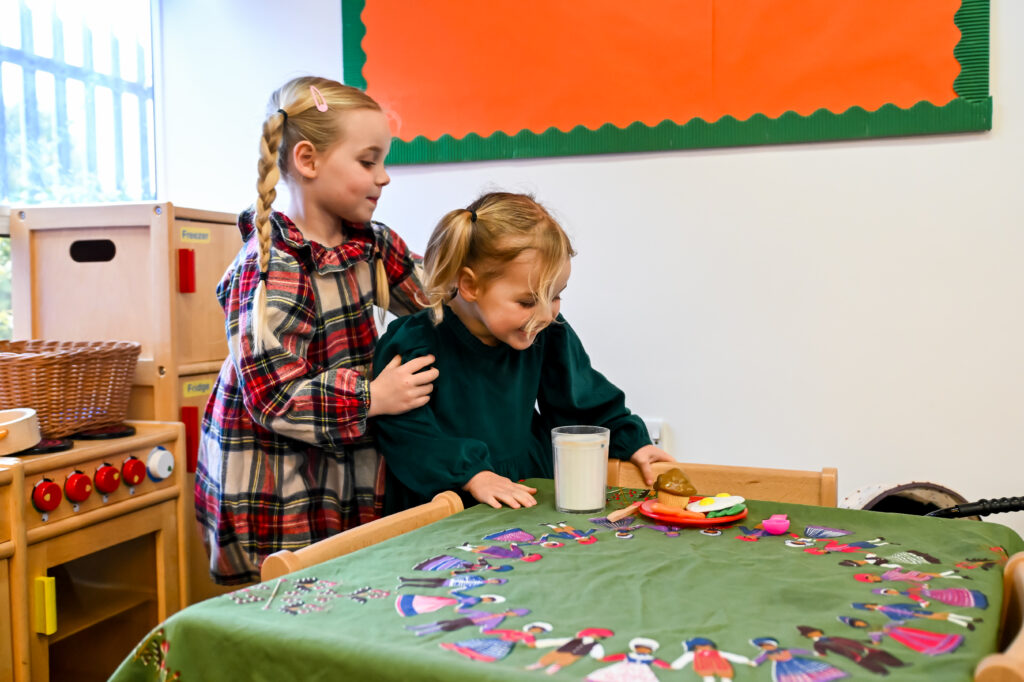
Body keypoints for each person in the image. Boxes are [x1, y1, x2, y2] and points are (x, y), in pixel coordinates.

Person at [195, 76, 436, 584]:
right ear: (308, 161)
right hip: (277, 484)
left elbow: (436, 304)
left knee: (345, 586)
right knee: (287, 602)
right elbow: (275, 397)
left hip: (340, 466)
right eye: (368, 161)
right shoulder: (269, 269)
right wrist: (372, 396)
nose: (384, 177)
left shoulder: (372, 246)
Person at [373, 192, 675, 513]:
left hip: (530, 487)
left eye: (556, 296)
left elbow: (581, 403)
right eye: (528, 301)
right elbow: (407, 435)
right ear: (470, 285)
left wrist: (633, 442)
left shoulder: (546, 330)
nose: (545, 314)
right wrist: (471, 474)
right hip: (445, 500)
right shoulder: (415, 344)